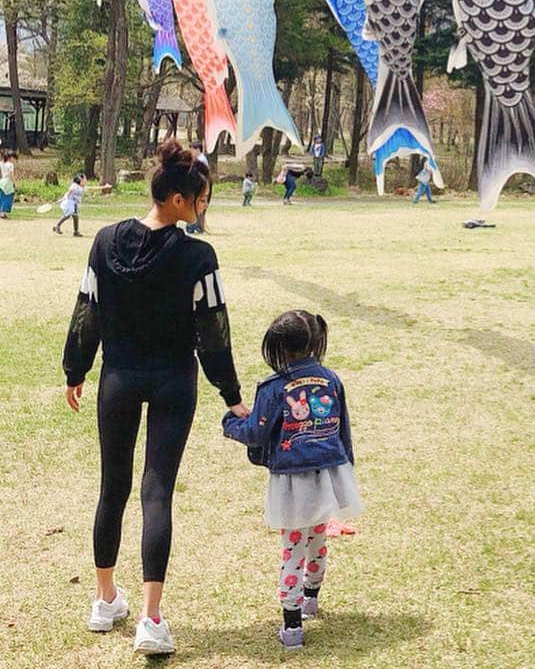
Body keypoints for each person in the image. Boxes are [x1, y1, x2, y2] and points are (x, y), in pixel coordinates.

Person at [61, 140, 248, 657]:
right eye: (203, 199)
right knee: (156, 490)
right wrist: (232, 395)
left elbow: (87, 309)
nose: (205, 208)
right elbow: (214, 333)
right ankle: (150, 618)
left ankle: (104, 602)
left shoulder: (104, 242)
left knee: (112, 487)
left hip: (117, 378)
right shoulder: (197, 256)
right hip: (173, 381)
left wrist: (75, 369)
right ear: (180, 199)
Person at [222, 309, 360, 650]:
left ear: (279, 348)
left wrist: (230, 423)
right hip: (328, 472)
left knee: (292, 549)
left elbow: (256, 432)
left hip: (292, 480)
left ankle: (292, 626)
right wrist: (347, 470)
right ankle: (311, 599)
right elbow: (344, 431)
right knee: (317, 539)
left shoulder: (274, 387)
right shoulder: (331, 379)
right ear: (315, 341)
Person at [0, 151, 15, 216]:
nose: (14, 160)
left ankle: (1, 212)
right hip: (8, 182)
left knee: (2, 197)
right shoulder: (11, 165)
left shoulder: (2, 163)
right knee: (8, 197)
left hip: (2, 181)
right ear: (10, 157)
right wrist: (14, 183)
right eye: (14, 158)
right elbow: (11, 175)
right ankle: (4, 212)